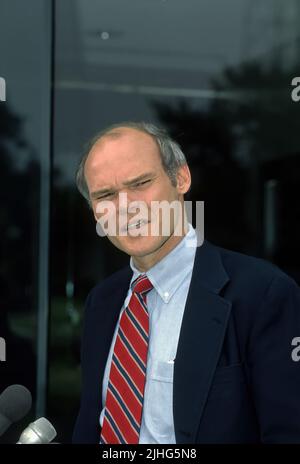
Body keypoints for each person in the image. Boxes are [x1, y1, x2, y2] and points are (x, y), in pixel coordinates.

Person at [72, 121, 300, 444]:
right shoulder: (102, 302)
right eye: (106, 195)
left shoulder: (262, 294)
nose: (125, 207)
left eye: (140, 183)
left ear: (181, 178)